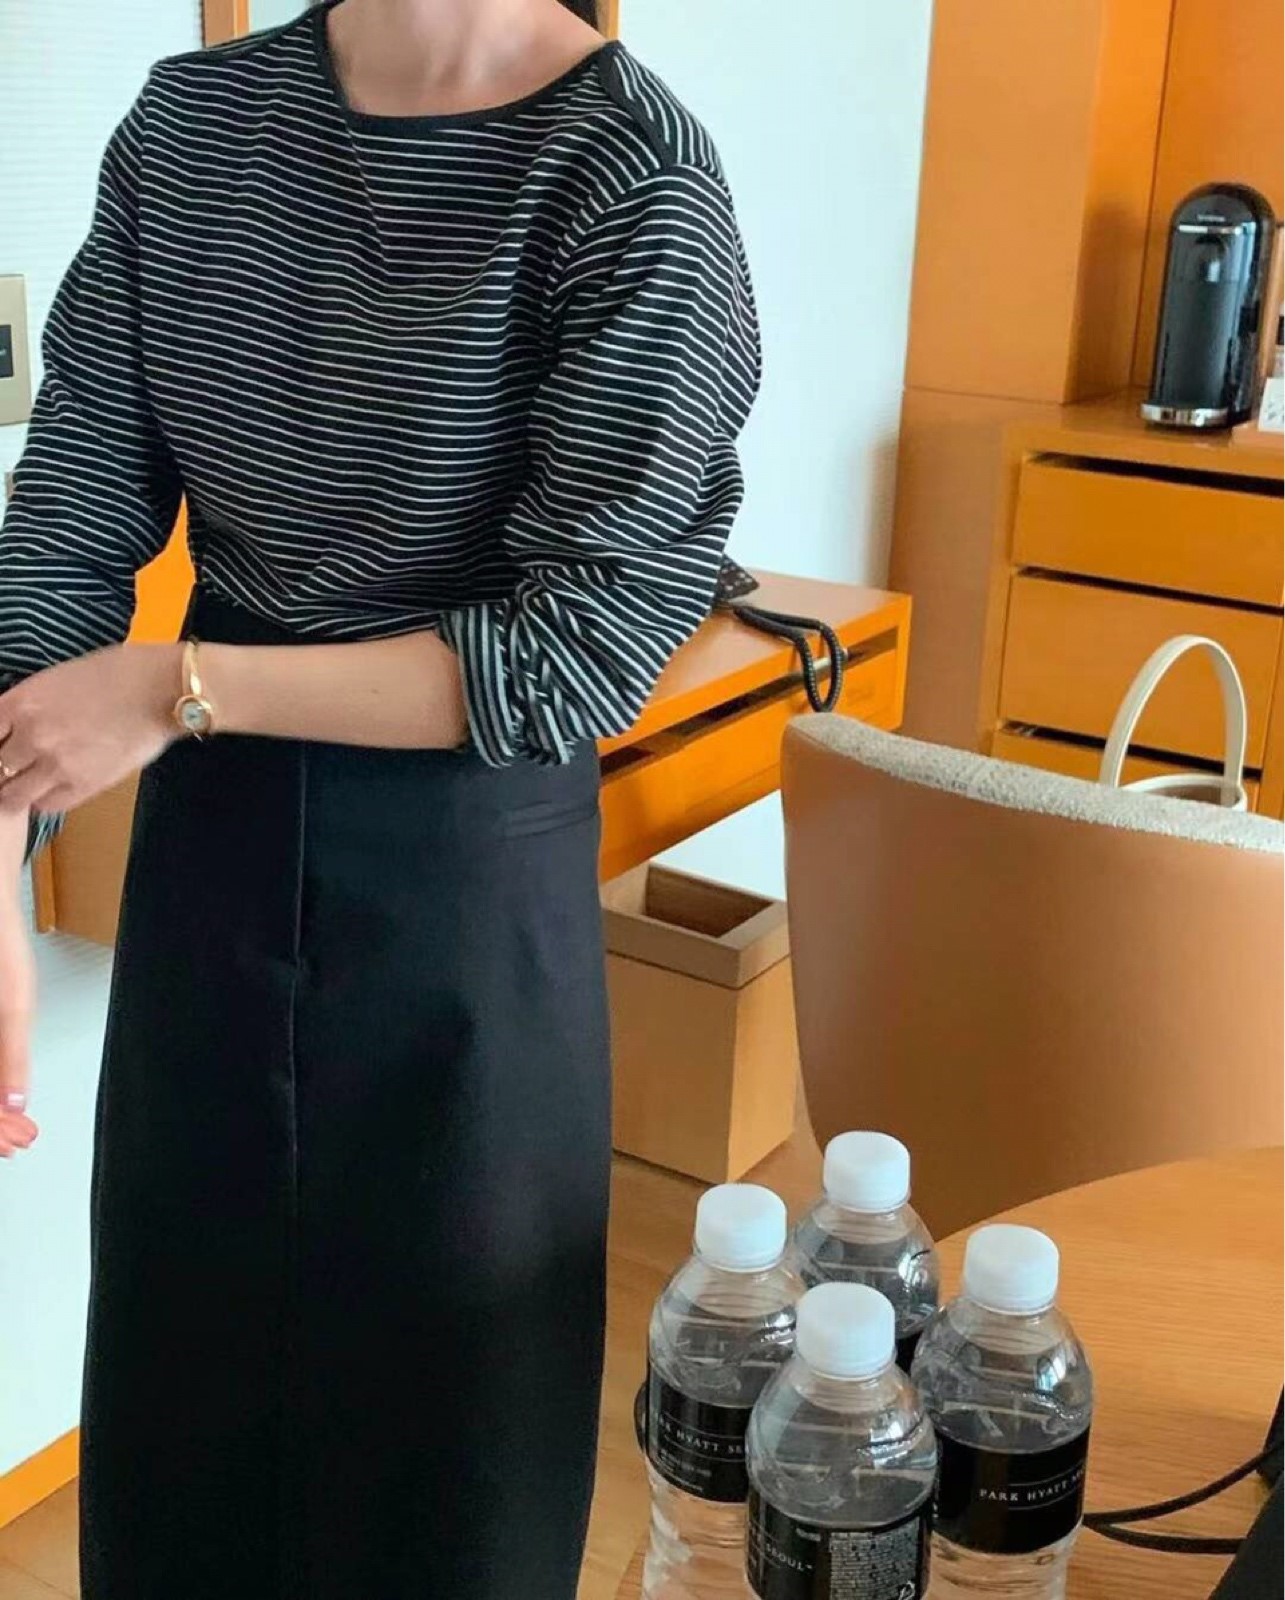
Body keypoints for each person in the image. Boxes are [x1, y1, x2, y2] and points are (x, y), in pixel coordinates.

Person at [0, 0, 760, 1594]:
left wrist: (177, 687)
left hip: (466, 872)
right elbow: (69, 516)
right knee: (181, 1421)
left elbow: (576, 651)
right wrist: (0, 841)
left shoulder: (629, 175)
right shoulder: (192, 125)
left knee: (445, 1459)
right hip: (213, 865)